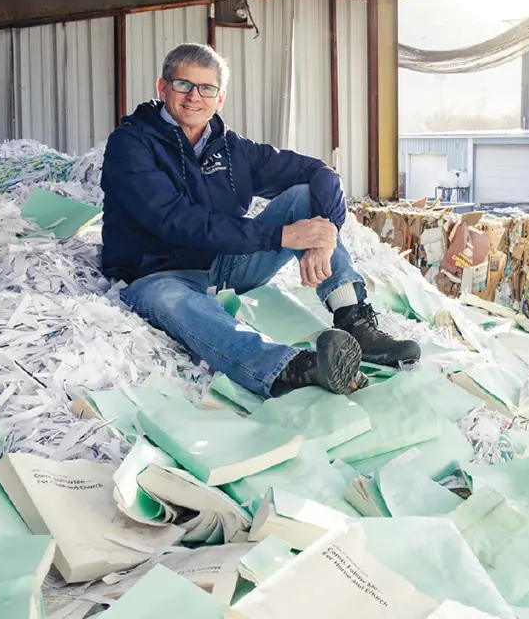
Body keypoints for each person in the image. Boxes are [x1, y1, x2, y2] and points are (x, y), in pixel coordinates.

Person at [100, 43, 420, 398]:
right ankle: (292, 368)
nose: (194, 97)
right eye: (183, 85)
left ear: (219, 99)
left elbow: (319, 173)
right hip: (157, 274)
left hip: (222, 264)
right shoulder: (131, 144)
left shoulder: (231, 148)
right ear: (163, 88)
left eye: (207, 88)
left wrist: (323, 236)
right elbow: (175, 220)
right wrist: (280, 236)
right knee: (169, 299)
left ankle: (354, 319)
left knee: (303, 197)